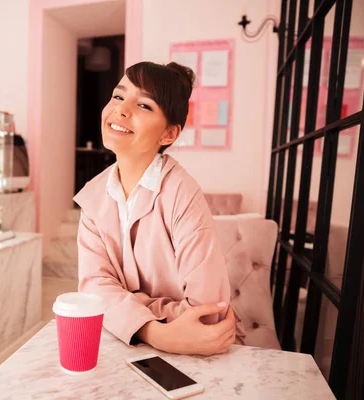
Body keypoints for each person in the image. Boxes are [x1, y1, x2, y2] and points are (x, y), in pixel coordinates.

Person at [73, 61, 245, 356]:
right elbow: (93, 288)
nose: (121, 110)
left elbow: (207, 316)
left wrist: (124, 306)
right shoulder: (92, 197)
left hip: (201, 357)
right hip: (132, 348)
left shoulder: (183, 194)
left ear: (168, 135)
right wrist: (157, 332)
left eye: (144, 105)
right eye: (118, 96)